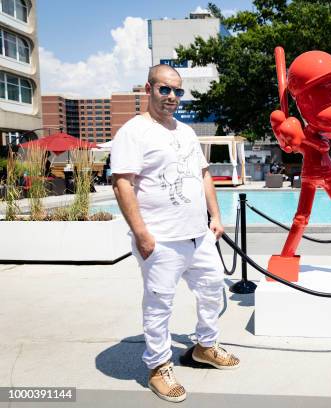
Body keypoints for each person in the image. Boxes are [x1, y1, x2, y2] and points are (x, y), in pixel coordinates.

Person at [111, 64, 239, 403]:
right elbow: (122, 183)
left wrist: (215, 216)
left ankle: (204, 346)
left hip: (198, 235)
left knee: (212, 291)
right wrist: (141, 233)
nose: (171, 97)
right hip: (161, 240)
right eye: (164, 89)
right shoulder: (133, 132)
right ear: (148, 89)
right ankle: (158, 367)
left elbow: (204, 174)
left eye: (177, 91)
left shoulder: (185, 131)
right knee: (159, 305)